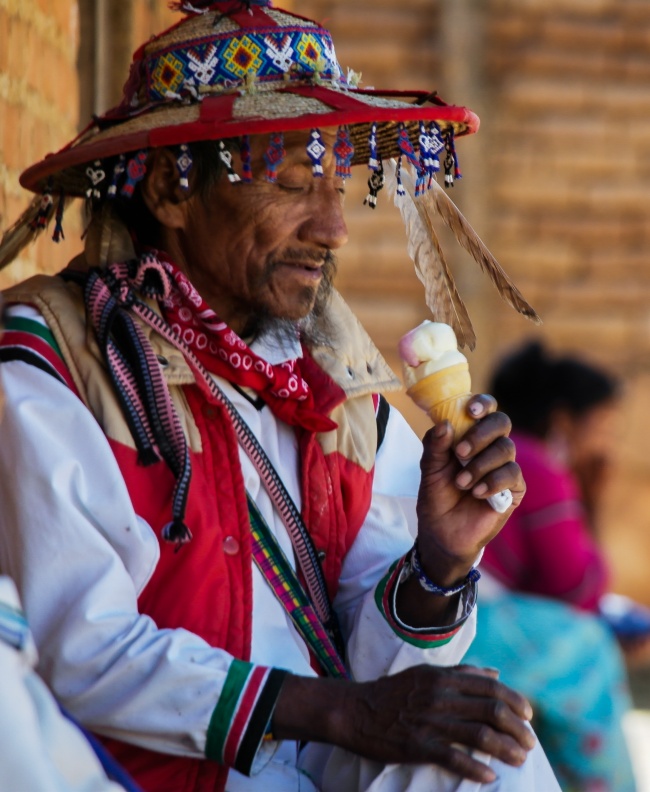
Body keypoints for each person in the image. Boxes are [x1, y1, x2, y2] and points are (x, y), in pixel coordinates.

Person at [0, 4, 560, 791]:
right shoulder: (61, 365)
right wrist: (338, 715)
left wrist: (439, 560)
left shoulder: (333, 381)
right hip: (146, 774)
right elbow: (84, 650)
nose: (332, 226)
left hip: (307, 764)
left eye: (336, 187)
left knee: (490, 759)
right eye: (294, 183)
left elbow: (372, 667)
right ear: (170, 189)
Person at [464, 339, 637, 791]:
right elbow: (578, 592)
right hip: (471, 629)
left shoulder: (512, 453)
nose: (607, 446)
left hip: (454, 617)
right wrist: (592, 502)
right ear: (563, 422)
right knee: (589, 650)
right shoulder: (539, 467)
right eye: (602, 428)